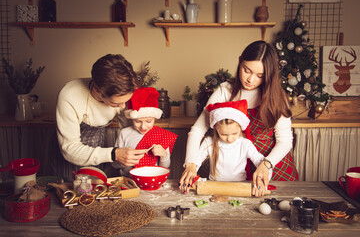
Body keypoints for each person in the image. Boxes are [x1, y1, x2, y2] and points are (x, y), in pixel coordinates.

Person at [180, 40, 298, 197]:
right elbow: (198, 129)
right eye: (247, 70)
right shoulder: (225, 91)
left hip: (274, 167)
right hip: (235, 172)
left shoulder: (277, 96)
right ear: (240, 61)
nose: (251, 80)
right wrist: (191, 163)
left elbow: (285, 141)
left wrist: (266, 164)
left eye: (260, 75)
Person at [56, 54, 148, 173]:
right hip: (68, 160)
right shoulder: (69, 96)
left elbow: (128, 131)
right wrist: (113, 154)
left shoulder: (121, 93)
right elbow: (69, 150)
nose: (123, 107)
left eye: (125, 101)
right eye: (115, 103)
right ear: (97, 90)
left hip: (100, 156)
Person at [188, 100, 272, 182]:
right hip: (215, 186)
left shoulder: (245, 144)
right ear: (216, 128)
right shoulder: (209, 142)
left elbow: (259, 160)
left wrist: (264, 171)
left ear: (240, 128)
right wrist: (191, 171)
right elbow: (196, 160)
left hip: (240, 186)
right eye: (224, 134)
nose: (229, 138)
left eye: (234, 133)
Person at [111, 87, 178, 176]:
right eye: (137, 121)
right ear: (132, 118)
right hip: (127, 180)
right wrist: (124, 160)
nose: (143, 126)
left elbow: (165, 167)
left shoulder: (161, 135)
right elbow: (114, 165)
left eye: (148, 121)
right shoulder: (124, 133)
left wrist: (163, 155)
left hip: (151, 179)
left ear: (155, 118)